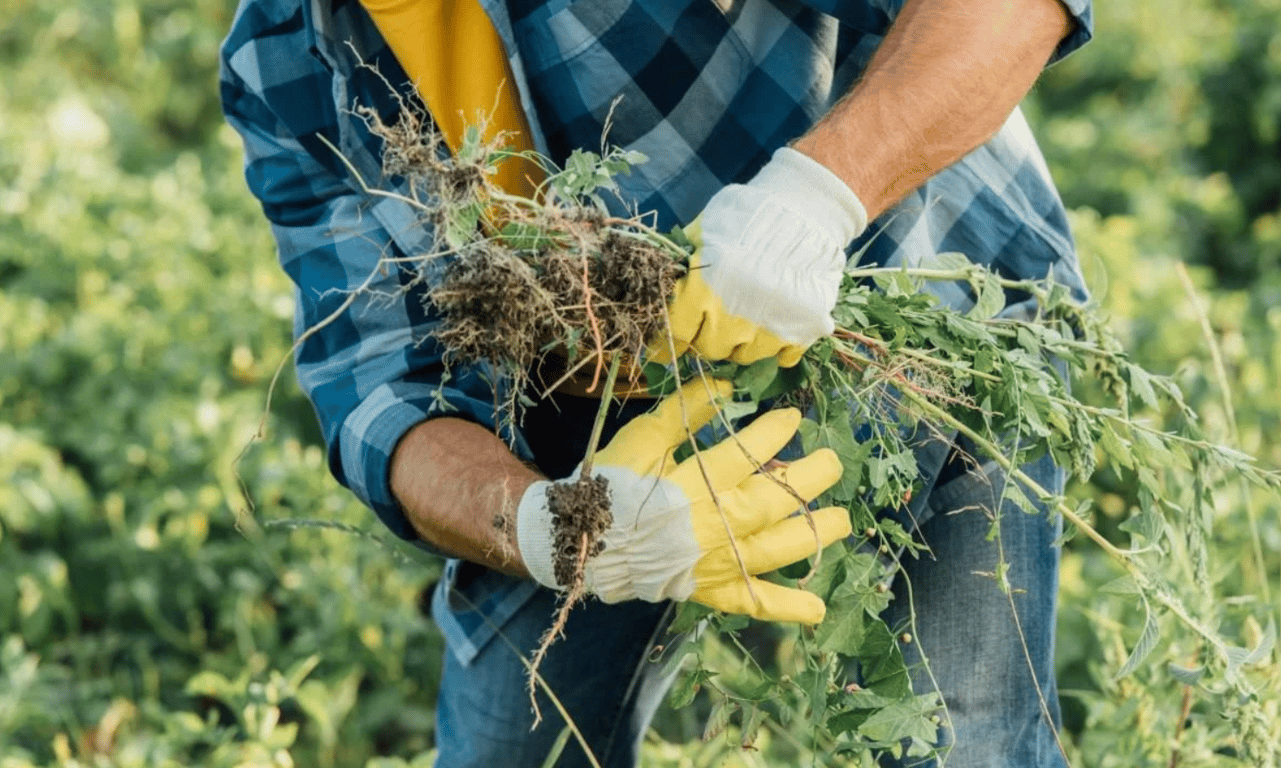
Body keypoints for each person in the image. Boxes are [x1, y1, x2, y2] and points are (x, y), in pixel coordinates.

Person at [220, 0, 1093, 765]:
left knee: (962, 743)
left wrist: (815, 199)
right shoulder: (284, 54)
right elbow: (385, 392)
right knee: (514, 746)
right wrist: (552, 529)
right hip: (589, 424)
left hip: (901, 296)